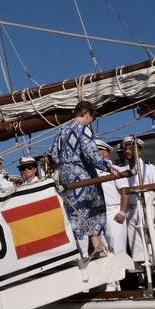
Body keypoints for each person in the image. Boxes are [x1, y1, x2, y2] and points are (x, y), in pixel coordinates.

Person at [49, 102, 111, 258]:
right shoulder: (84, 129)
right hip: (84, 179)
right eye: (91, 118)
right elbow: (90, 152)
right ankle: (95, 256)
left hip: (67, 179)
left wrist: (66, 166)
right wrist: (108, 166)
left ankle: (82, 256)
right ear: (87, 114)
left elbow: (54, 155)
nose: (91, 122)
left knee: (75, 218)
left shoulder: (60, 131)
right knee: (91, 218)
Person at [97, 139, 132, 256]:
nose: (96, 154)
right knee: (105, 252)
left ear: (106, 152)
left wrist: (122, 212)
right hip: (100, 214)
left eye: (98, 151)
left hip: (114, 212)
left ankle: (125, 273)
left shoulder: (116, 169)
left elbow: (125, 192)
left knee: (118, 249)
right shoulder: (92, 173)